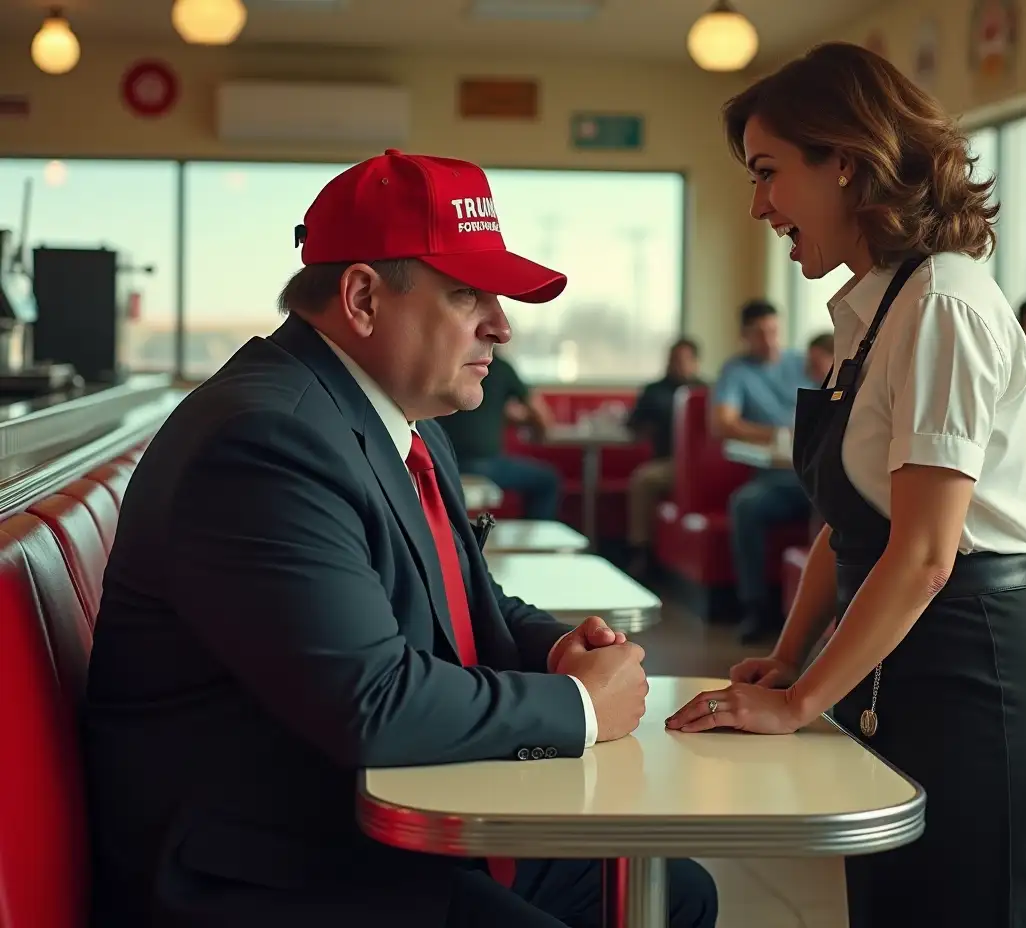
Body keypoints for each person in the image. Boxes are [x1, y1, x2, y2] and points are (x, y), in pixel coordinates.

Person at [83, 150, 718, 928]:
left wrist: (558, 650)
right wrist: (579, 706)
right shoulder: (265, 441)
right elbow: (371, 703)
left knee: (680, 892)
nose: (503, 325)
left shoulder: (394, 421)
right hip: (269, 876)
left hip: (361, 829)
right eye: (466, 294)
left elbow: (467, 597)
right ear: (361, 298)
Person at [667, 43, 1026, 928]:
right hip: (913, 671)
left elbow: (929, 552)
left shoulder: (942, 302)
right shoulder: (883, 308)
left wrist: (795, 703)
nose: (758, 206)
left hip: (983, 680)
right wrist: (790, 657)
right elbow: (850, 525)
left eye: (768, 174)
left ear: (847, 163)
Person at [711, 299, 816, 642]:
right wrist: (778, 434)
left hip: (816, 474)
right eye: (760, 333)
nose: (769, 340)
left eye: (773, 331)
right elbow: (723, 422)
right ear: (744, 336)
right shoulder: (736, 370)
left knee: (837, 501)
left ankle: (825, 616)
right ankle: (756, 607)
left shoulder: (804, 362)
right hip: (776, 480)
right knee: (745, 505)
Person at [435, 347, 562, 519]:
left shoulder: (447, 365)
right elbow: (541, 415)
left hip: (442, 462)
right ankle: (535, 541)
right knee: (548, 480)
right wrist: (539, 433)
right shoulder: (501, 368)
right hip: (483, 464)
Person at [625, 337, 704, 574]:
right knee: (643, 479)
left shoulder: (707, 391)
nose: (679, 365)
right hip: (668, 462)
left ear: (696, 363)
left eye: (685, 360)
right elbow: (634, 426)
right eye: (675, 360)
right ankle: (641, 550)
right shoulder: (654, 391)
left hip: (700, 467)